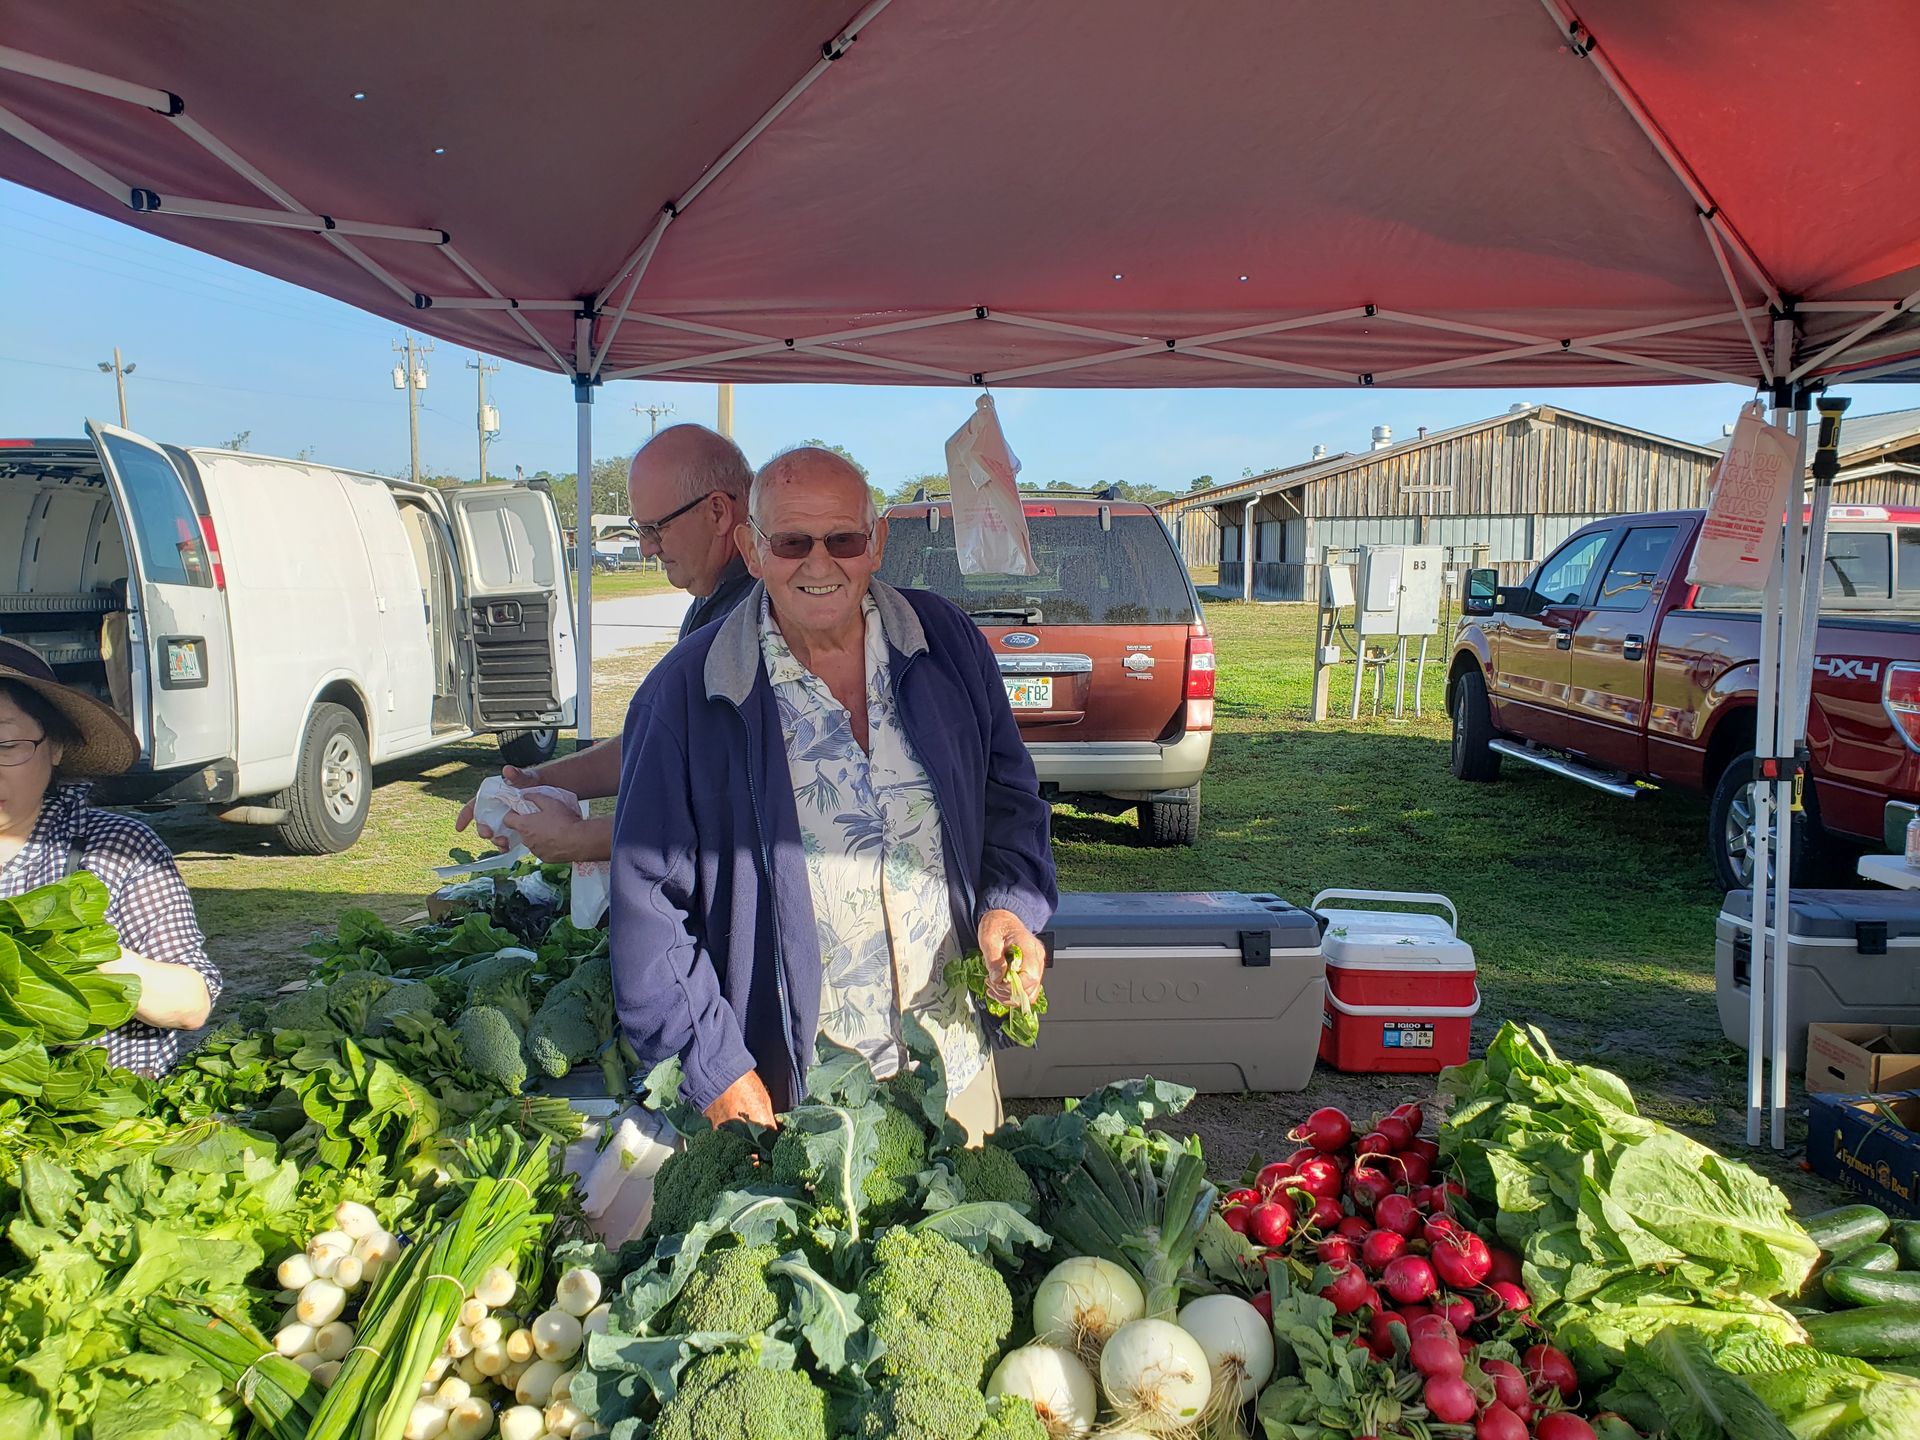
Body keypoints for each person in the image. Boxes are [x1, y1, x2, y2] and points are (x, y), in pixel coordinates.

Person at [608, 446, 1057, 1143]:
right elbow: (648, 909)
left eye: (842, 539)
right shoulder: (686, 695)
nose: (819, 565)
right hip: (796, 1101)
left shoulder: (949, 646)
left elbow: (1011, 802)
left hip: (955, 1067)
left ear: (876, 543)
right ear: (752, 550)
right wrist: (714, 1067)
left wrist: (1010, 909)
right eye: (791, 543)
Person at [455, 424, 758, 862]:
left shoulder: (761, 617)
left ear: (716, 512)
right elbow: (660, 739)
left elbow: (745, 804)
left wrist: (589, 838)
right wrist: (533, 781)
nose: (647, 548)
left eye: (656, 529)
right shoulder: (713, 599)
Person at [0, 639, 219, 1077]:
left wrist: (70, 951)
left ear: (56, 745)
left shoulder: (115, 847)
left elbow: (190, 1004)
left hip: (103, 1129)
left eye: (6, 745)